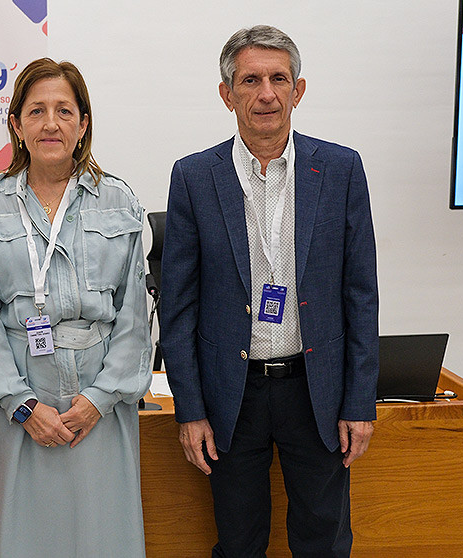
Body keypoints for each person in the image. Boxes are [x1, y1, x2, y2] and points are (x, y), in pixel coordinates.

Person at [160, 26, 379, 557]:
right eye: (250, 79)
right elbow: (178, 306)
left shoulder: (342, 169)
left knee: (323, 540)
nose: (266, 94)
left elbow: (361, 295)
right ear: (226, 93)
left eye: (279, 79)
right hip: (232, 393)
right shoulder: (193, 176)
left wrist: (359, 401)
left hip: (316, 389)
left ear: (298, 90)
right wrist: (189, 410)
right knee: (238, 542)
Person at [0, 58, 152, 557]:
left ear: (83, 124)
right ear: (17, 125)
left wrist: (100, 399)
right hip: (23, 403)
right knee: (20, 538)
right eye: (37, 110)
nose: (51, 123)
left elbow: (135, 316)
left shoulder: (119, 202)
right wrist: (22, 406)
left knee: (102, 538)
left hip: (99, 404)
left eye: (65, 111)